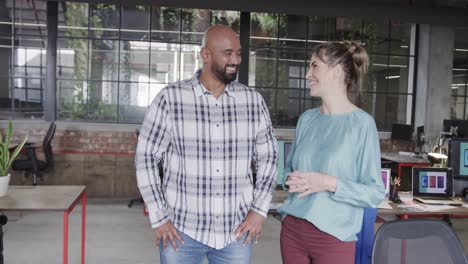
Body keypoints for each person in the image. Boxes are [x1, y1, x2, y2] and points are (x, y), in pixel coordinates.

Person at [135, 25, 278, 264]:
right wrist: (159, 217)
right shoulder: (170, 99)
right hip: (181, 231)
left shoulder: (252, 102)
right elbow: (146, 157)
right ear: (206, 55)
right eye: (228, 53)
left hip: (236, 232)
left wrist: (259, 211)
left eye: (239, 53)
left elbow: (269, 156)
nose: (235, 60)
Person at [279, 41, 385, 264]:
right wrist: (290, 180)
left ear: (336, 71)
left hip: (333, 236)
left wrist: (328, 182)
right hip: (293, 230)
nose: (308, 74)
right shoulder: (306, 119)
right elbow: (287, 171)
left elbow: (374, 193)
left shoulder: (362, 125)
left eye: (314, 66)